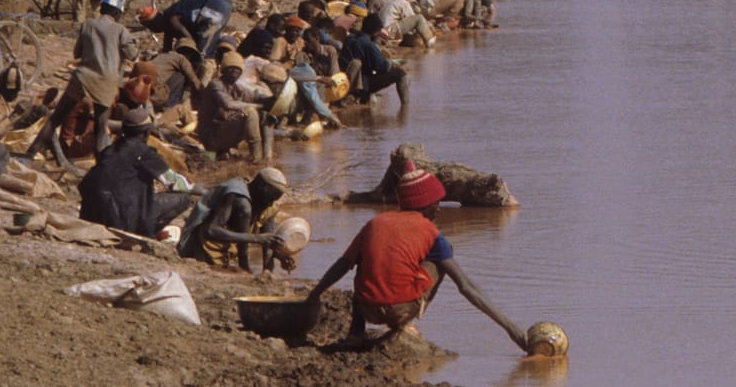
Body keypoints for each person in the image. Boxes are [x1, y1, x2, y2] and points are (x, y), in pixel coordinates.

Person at [305, 161, 533, 353]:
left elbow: (342, 266)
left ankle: (356, 333)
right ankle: (405, 325)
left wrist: (313, 296)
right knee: (441, 261)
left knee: (368, 259)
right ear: (425, 204)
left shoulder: (374, 223)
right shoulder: (430, 232)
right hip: (400, 310)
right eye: (437, 203)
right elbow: (465, 286)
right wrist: (511, 327)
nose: (440, 209)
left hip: (366, 308)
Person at [27, 0, 137, 165]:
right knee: (100, 128)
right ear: (118, 14)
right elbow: (132, 53)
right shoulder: (121, 31)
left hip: (83, 77)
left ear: (101, 8)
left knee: (56, 118)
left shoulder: (88, 24)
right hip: (106, 82)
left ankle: (29, 154)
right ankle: (101, 167)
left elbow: (77, 53)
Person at [78, 105, 197, 239]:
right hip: (121, 217)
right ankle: (146, 232)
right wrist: (202, 190)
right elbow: (178, 184)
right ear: (147, 133)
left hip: (92, 214)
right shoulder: (145, 153)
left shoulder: (109, 150)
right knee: (184, 198)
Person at [178, 167, 292, 273]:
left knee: (266, 211)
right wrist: (256, 238)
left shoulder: (267, 206)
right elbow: (211, 231)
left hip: (226, 252)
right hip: (201, 247)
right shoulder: (237, 196)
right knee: (245, 208)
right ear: (260, 188)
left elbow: (269, 242)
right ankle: (244, 266)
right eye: (270, 198)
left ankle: (245, 268)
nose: (270, 203)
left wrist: (279, 257)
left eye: (274, 200)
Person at [196, 50, 273, 162]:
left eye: (237, 70)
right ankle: (255, 159)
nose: (234, 72)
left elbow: (254, 95)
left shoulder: (236, 87)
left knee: (268, 116)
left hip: (223, 131)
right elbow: (228, 104)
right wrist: (256, 106)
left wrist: (269, 100)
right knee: (250, 112)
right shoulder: (215, 84)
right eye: (230, 69)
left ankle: (267, 158)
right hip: (211, 135)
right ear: (223, 70)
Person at [342, 15, 409, 106]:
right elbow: (383, 67)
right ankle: (405, 108)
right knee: (401, 73)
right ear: (376, 32)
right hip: (362, 85)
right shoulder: (368, 45)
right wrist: (392, 63)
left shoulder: (349, 39)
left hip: (344, 81)